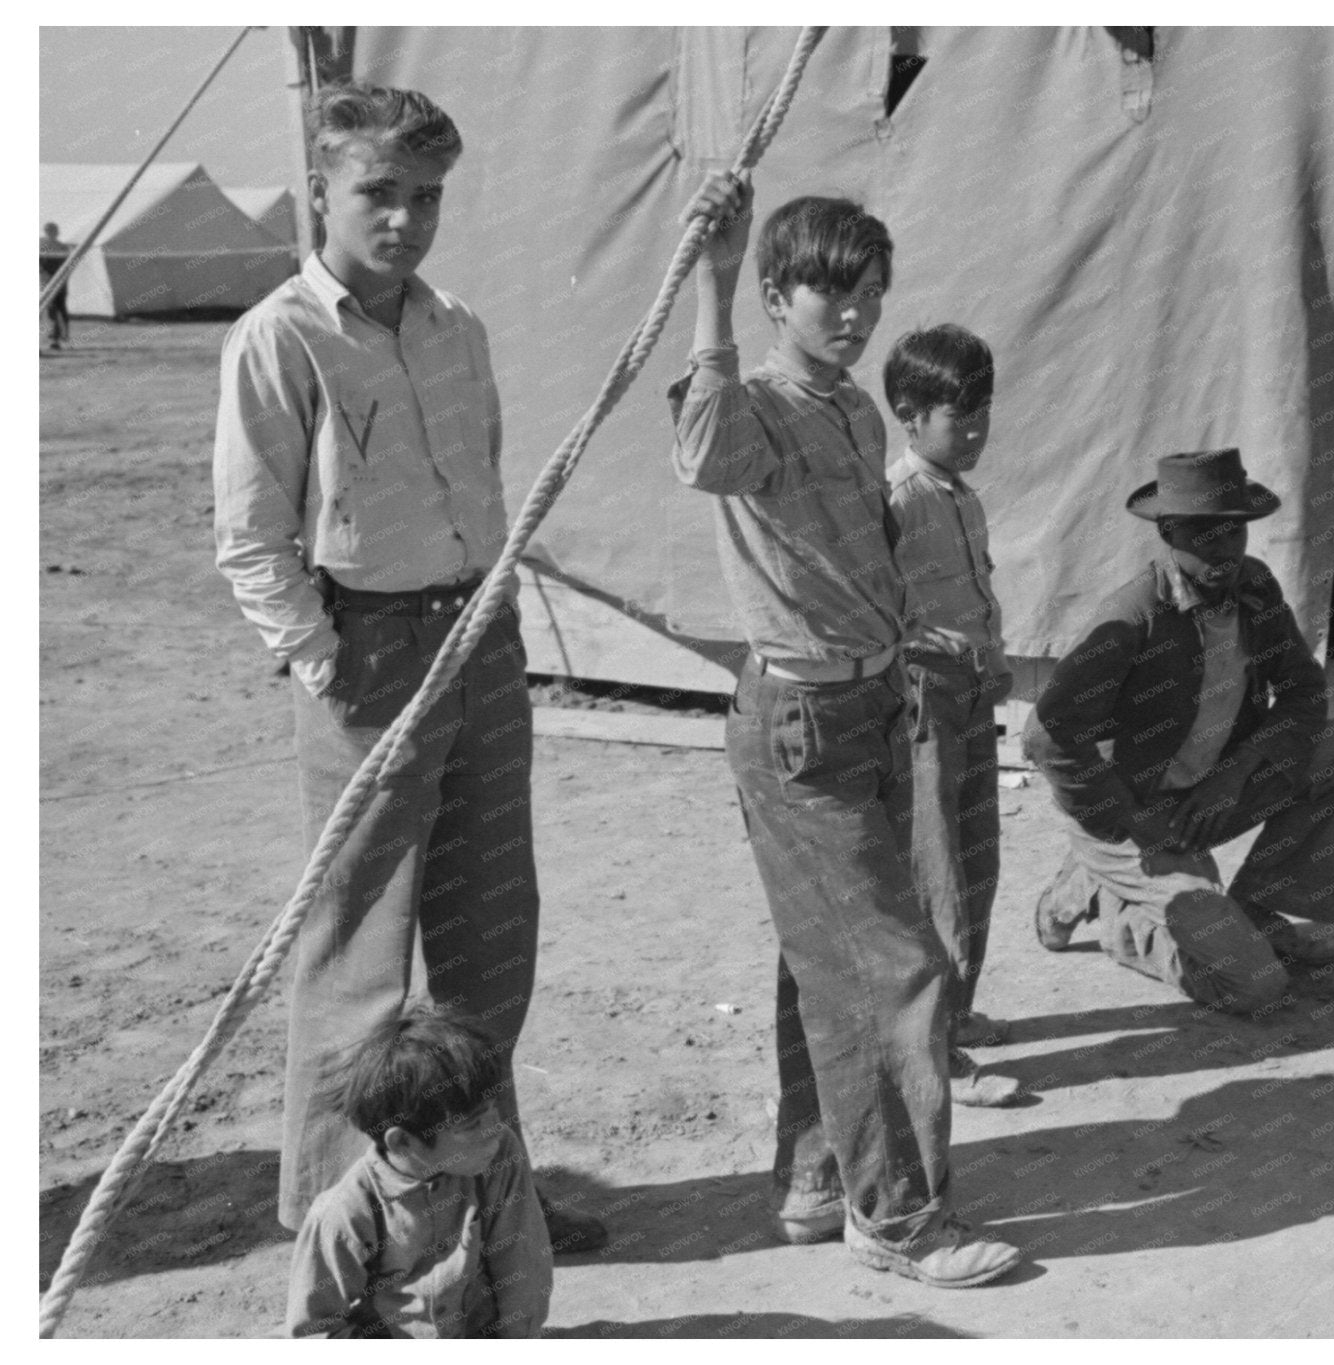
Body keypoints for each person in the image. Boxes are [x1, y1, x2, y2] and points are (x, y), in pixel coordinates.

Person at [212, 83, 605, 1254]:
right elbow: (250, 537)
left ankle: (490, 1195)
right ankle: (348, 1222)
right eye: (379, 193)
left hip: (478, 637)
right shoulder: (279, 335)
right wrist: (326, 663)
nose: (404, 219)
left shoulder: (456, 326)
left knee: (492, 940)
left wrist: (491, 624)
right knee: (361, 956)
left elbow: (477, 483)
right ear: (322, 190)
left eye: (426, 196)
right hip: (367, 651)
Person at [669, 171, 1022, 1288]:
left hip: (871, 701)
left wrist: (925, 632)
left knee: (820, 961)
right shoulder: (756, 405)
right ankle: (898, 1219)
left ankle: (820, 1176)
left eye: (870, 291)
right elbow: (700, 453)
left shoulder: (856, 407)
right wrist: (711, 282)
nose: (857, 314)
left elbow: (860, 549)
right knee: (896, 966)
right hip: (799, 720)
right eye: (830, 293)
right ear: (779, 296)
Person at [1024, 448, 1334, 1015]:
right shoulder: (1133, 616)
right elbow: (1045, 736)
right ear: (1169, 532)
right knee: (1255, 985)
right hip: (1132, 817)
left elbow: (1305, 692)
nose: (1225, 552)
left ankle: (1258, 909)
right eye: (1205, 536)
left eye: (1235, 533)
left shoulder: (1255, 589)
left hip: (1205, 795)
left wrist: (1236, 773)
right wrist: (1129, 822)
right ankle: (1115, 909)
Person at [884, 323, 1026, 1108]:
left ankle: (958, 1011)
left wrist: (996, 654)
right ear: (909, 415)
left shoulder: (962, 499)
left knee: (978, 860)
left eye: (983, 414)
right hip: (925, 697)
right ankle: (932, 1050)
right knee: (933, 870)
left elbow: (977, 593)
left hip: (971, 691)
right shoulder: (897, 500)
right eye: (955, 417)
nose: (973, 431)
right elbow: (879, 604)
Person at [288, 1005, 551, 1337]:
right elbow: (315, 1329)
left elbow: (523, 1265)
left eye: (491, 1109)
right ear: (402, 1143)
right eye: (471, 1125)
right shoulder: (342, 1215)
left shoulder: (499, 1155)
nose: (495, 1128)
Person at [40, 221, 71, 349]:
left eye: (53, 230)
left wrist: (62, 279)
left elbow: (68, 265)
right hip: (45, 282)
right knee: (49, 309)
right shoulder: (41, 246)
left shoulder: (62, 247)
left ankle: (61, 336)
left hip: (60, 282)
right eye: (48, 230)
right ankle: (54, 337)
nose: (51, 233)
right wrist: (43, 274)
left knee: (60, 308)